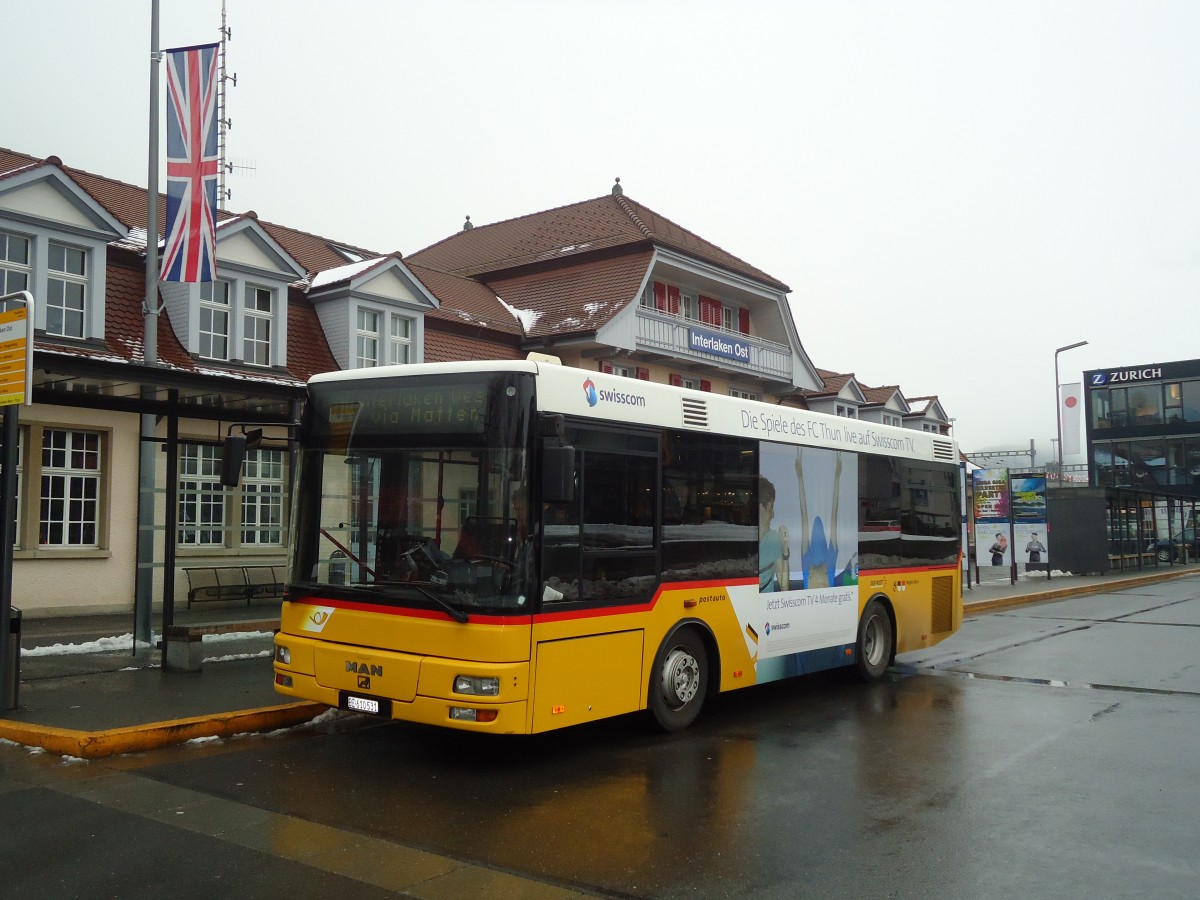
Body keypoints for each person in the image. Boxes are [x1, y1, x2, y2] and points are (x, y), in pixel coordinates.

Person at [758, 476, 789, 591]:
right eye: (771, 509)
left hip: (767, 606)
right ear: (761, 509)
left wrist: (785, 551)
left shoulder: (774, 538)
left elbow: (784, 588)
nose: (773, 515)